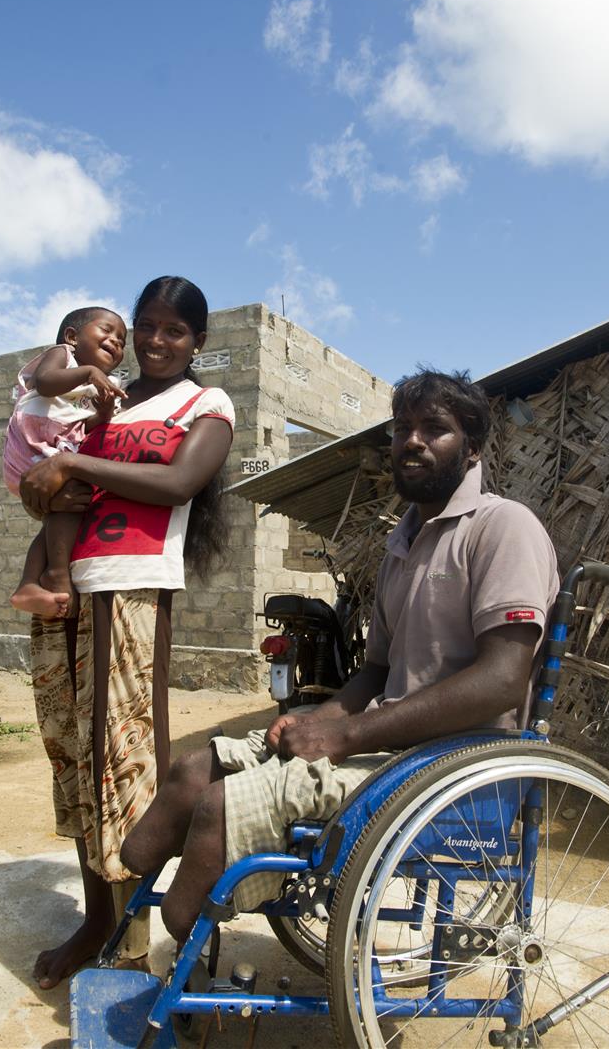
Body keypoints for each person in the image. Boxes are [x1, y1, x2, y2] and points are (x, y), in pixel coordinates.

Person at [120, 368, 561, 942]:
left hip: (457, 770)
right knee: (189, 775)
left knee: (218, 808)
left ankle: (184, 971)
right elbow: (373, 674)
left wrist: (347, 737)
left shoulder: (503, 528)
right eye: (403, 428)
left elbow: (503, 681)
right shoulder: (402, 543)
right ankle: (142, 917)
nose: (414, 441)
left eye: (436, 429)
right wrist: (313, 722)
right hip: (393, 753)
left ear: (472, 448)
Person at [18, 276, 234, 989]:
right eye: (147, 325)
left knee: (128, 758)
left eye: (175, 330)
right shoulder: (100, 395)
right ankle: (94, 920)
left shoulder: (206, 403)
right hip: (66, 589)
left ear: (198, 341)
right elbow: (41, 476)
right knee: (76, 760)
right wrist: (41, 482)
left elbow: (177, 484)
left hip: (132, 587)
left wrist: (74, 463)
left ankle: (136, 934)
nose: (156, 340)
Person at [3, 306, 129, 617]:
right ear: (72, 337)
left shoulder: (89, 389)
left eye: (122, 340)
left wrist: (101, 415)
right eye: (107, 331)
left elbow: (78, 427)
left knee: (60, 513)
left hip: (48, 452)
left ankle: (29, 583)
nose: (116, 342)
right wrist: (89, 373)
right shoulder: (63, 356)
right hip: (30, 449)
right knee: (73, 492)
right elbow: (44, 383)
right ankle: (57, 574)